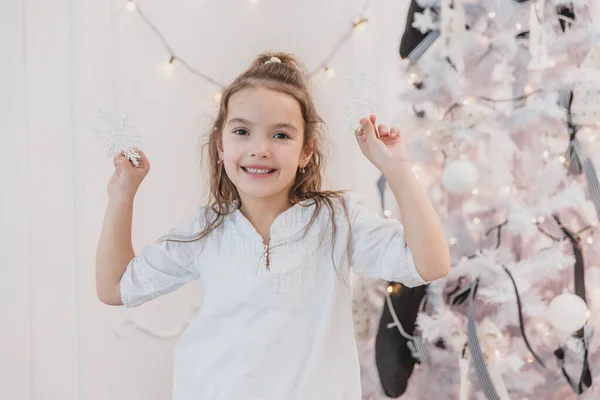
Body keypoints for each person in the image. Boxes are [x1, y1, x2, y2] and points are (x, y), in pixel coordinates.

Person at [96, 52, 450, 400]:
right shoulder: (204, 230)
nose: (260, 149)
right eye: (242, 132)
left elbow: (430, 264)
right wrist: (122, 193)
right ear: (221, 144)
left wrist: (397, 169)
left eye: (280, 135)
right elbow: (116, 287)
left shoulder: (340, 219)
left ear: (306, 151)